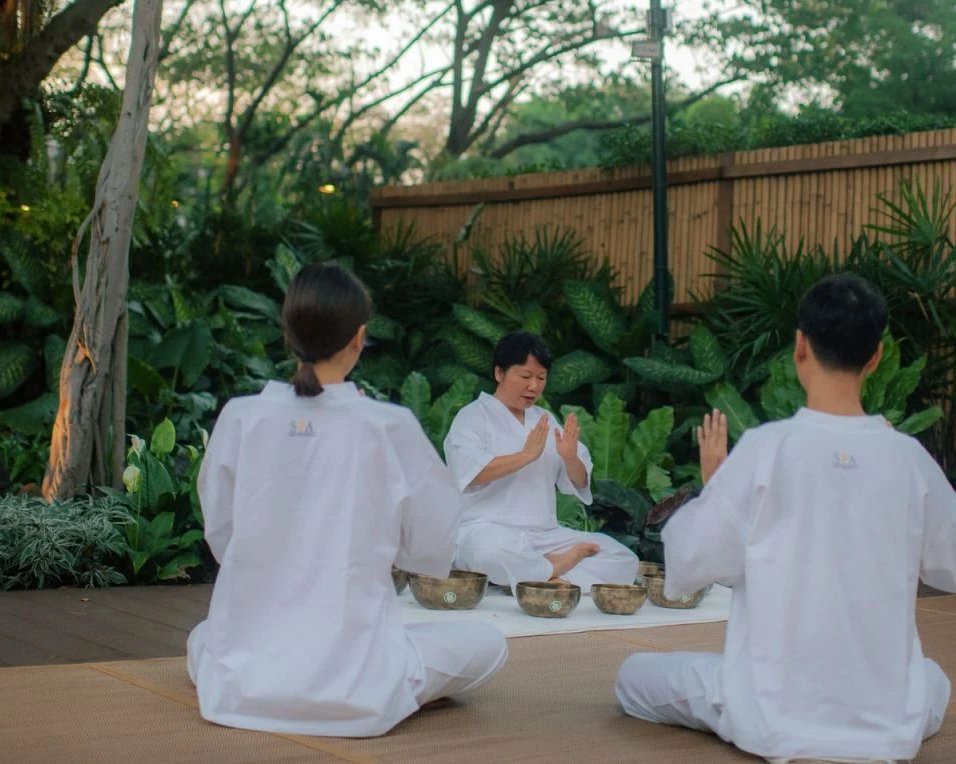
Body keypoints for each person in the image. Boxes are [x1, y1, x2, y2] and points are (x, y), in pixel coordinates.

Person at [614, 274, 956, 764]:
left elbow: (690, 561)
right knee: (931, 678)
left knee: (632, 678)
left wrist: (716, 488)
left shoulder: (765, 449)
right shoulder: (907, 457)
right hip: (886, 725)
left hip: (772, 716)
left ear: (800, 347)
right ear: (875, 357)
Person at [188, 263, 508, 737]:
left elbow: (222, 536)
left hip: (243, 685)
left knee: (202, 638)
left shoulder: (240, 417)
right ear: (359, 338)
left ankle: (261, 681)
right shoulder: (388, 425)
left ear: (289, 334)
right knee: (488, 643)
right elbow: (430, 548)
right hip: (356, 690)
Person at [443, 331, 638, 590]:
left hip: (544, 536)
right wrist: (525, 456)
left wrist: (570, 458)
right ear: (499, 373)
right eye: (525, 376)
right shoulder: (473, 417)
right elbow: (469, 473)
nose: (534, 386)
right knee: (491, 553)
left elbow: (579, 481)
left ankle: (540, 576)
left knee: (622, 558)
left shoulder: (544, 419)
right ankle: (555, 570)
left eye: (541, 378)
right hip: (486, 530)